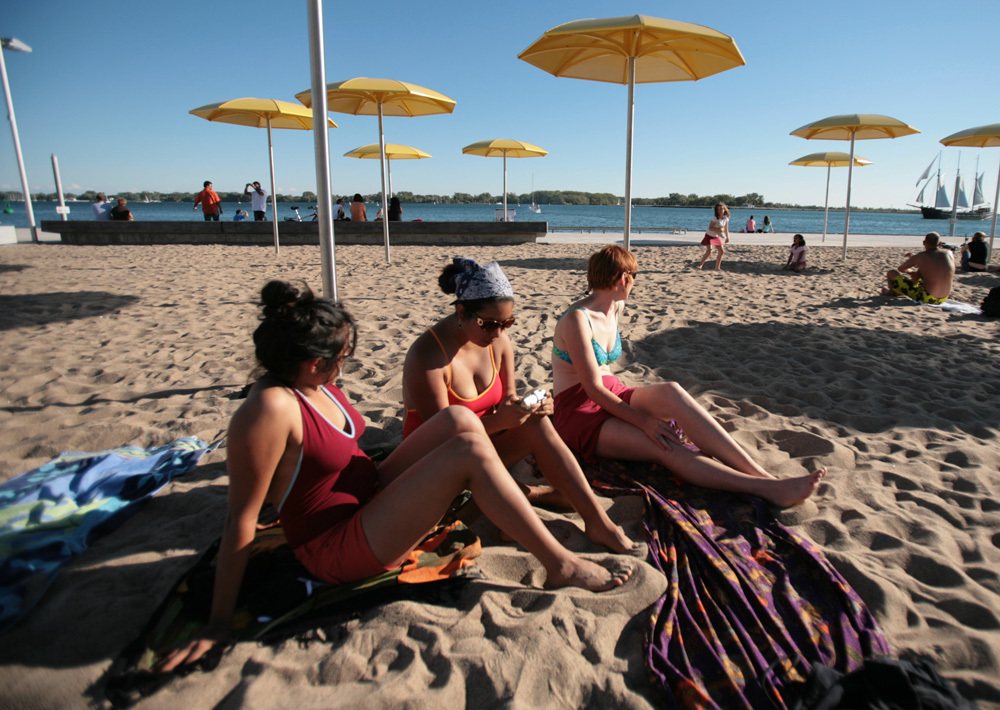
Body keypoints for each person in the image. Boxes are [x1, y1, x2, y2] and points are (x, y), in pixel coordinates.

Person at [155, 281, 632, 673]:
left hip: (367, 492)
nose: (345, 365)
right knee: (467, 448)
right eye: (341, 358)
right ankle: (559, 564)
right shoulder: (268, 409)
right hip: (336, 543)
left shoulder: (315, 384)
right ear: (313, 362)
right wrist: (218, 623)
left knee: (461, 420)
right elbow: (240, 519)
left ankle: (572, 515)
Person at [551, 245, 826, 507]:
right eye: (634, 276)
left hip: (613, 392)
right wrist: (644, 422)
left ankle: (763, 476)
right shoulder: (577, 319)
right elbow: (593, 389)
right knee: (663, 444)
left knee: (672, 391)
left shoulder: (615, 307)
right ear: (623, 279)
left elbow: (605, 383)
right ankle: (765, 489)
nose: (634, 282)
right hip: (579, 410)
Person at [402, 258, 633, 554]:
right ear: (461, 312)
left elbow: (507, 399)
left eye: (507, 323)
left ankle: (597, 521)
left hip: (481, 445)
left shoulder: (497, 341)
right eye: (489, 324)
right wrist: (501, 422)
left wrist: (528, 407)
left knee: (538, 423)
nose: (498, 333)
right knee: (546, 465)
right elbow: (440, 437)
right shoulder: (427, 357)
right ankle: (527, 499)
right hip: (432, 462)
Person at [882, 232, 955, 304]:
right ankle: (900, 291)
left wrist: (911, 271)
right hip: (943, 298)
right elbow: (934, 263)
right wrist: (915, 261)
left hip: (927, 297)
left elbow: (901, 269)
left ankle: (892, 292)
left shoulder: (920, 256)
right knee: (920, 272)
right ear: (940, 243)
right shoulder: (949, 253)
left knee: (891, 273)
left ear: (924, 243)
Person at [697, 202, 731, 271]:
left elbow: (726, 229)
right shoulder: (715, 218)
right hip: (709, 235)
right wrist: (719, 230)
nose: (720, 210)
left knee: (721, 251)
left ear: (724, 209)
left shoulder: (726, 218)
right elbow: (710, 228)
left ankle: (717, 267)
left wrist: (727, 237)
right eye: (718, 209)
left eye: (721, 209)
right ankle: (700, 264)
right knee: (709, 250)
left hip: (716, 236)